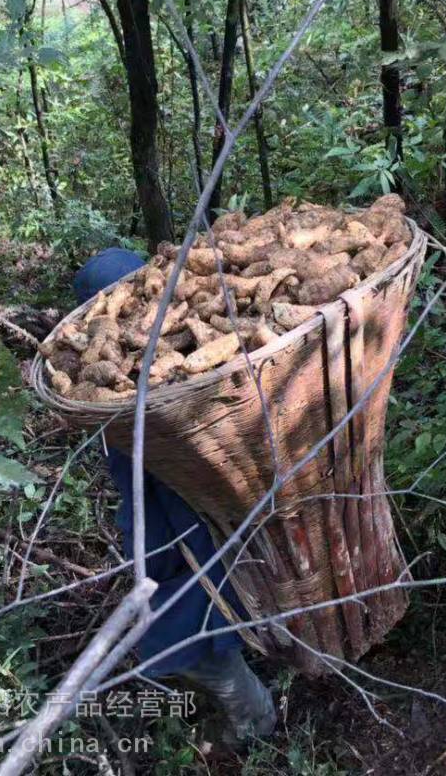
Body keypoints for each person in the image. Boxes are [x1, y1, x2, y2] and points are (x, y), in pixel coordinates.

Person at [73, 247, 277, 742]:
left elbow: (150, 492)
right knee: (208, 628)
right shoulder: (141, 390)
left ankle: (258, 722)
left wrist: (153, 557)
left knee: (194, 645)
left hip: (184, 540)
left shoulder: (146, 408)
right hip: (197, 532)